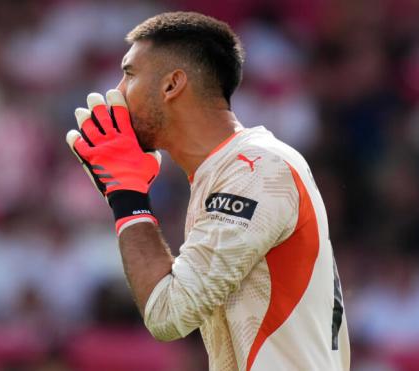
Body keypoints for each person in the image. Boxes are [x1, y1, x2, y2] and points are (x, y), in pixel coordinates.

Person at [65, 11, 350, 371]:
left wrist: (127, 197)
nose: (118, 93)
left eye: (129, 74)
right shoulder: (224, 171)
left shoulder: (255, 169)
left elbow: (169, 314)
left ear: (172, 85)